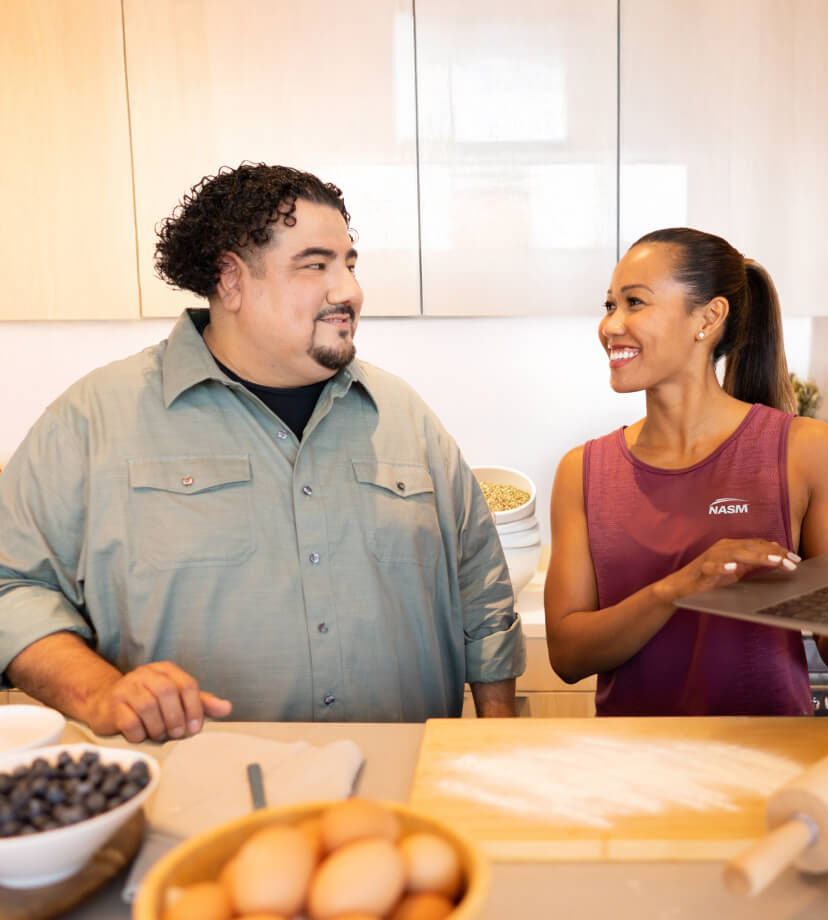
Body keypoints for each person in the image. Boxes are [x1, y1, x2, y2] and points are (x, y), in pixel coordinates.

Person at [0, 163, 524, 741]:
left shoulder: (405, 416)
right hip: (192, 801)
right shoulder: (93, 420)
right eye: (315, 265)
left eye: (349, 263)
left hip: (401, 794)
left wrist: (494, 736)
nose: (348, 289)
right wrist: (98, 691)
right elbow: (10, 582)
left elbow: (480, 588)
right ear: (230, 280)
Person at [544, 227, 828, 716]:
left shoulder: (806, 451)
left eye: (634, 303)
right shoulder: (582, 471)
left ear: (709, 317)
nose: (611, 326)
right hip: (628, 768)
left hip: (768, 766)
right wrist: (679, 587)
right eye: (609, 306)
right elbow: (568, 655)